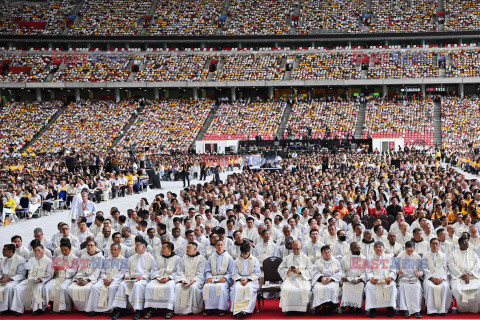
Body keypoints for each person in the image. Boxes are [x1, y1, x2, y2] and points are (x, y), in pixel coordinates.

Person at [112, 239, 157, 320]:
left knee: (137, 285)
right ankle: (120, 309)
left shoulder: (151, 258)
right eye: (135, 245)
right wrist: (127, 275)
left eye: (137, 245)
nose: (135, 247)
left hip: (143, 279)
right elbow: (126, 270)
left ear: (143, 247)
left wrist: (143, 277)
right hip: (132, 279)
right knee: (122, 284)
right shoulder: (131, 258)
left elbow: (153, 271)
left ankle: (138, 310)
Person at [11, 244, 53, 316]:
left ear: (43, 250)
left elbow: (50, 274)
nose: (37, 252)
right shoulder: (32, 259)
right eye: (35, 251)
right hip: (30, 279)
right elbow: (26, 267)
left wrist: (41, 279)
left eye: (39, 250)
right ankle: (18, 309)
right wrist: (34, 260)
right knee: (18, 288)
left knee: (38, 288)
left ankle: (38, 309)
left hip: (41, 281)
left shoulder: (49, 261)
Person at [85, 243, 127, 316]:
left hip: (116, 280)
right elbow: (102, 271)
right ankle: (95, 309)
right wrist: (105, 278)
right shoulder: (107, 259)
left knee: (112, 288)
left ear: (119, 250)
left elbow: (121, 273)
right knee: (95, 287)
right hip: (105, 278)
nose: (113, 251)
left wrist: (111, 279)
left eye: (115, 250)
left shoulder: (123, 260)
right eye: (111, 250)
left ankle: (111, 309)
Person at [144, 242, 180, 319]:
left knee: (169, 287)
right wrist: (157, 277)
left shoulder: (177, 259)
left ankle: (169, 310)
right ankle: (150, 309)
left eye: (164, 248)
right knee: (149, 287)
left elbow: (178, 271)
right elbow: (153, 270)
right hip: (158, 278)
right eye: (162, 248)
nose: (162, 249)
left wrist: (169, 278)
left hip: (170, 278)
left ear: (169, 249)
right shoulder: (159, 258)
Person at [67, 239, 103, 313]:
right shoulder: (84, 257)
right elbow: (80, 270)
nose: (90, 247)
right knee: (71, 288)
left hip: (92, 279)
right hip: (82, 278)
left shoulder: (100, 258)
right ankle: (80, 308)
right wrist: (79, 279)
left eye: (91, 245)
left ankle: (88, 308)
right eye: (88, 245)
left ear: (96, 247)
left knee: (87, 289)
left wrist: (87, 280)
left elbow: (97, 273)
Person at [278, 240, 313, 315]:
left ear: (301, 248)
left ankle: (301, 309)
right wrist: (288, 271)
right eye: (294, 249)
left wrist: (300, 272)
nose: (296, 251)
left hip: (302, 279)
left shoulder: (306, 258)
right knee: (285, 289)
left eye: (297, 249)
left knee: (304, 289)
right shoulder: (287, 258)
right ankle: (289, 309)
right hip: (290, 279)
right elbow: (280, 269)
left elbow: (311, 270)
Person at [364, 241, 397, 318]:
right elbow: (368, 271)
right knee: (369, 287)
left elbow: (393, 270)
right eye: (376, 247)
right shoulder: (370, 258)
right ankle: (372, 308)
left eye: (380, 247)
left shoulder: (389, 257)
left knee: (392, 287)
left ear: (384, 248)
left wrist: (390, 277)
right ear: (374, 249)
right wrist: (371, 279)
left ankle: (390, 308)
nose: (378, 249)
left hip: (386, 280)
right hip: (375, 280)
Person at [448, 236, 480, 313]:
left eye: (467, 242)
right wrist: (461, 275)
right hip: (459, 277)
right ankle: (462, 308)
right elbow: (451, 265)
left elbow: (478, 264)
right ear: (459, 243)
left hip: (472, 276)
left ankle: (474, 308)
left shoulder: (472, 253)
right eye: (465, 242)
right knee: (456, 288)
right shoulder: (453, 254)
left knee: (479, 288)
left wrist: (469, 274)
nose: (467, 244)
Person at [202, 239, 234, 317]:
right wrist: (209, 277)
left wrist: (226, 278)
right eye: (218, 245)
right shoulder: (211, 257)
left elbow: (231, 271)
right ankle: (209, 308)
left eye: (221, 245)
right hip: (212, 278)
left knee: (221, 287)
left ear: (224, 246)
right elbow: (208, 270)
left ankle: (221, 308)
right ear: (215, 246)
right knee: (207, 287)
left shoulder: (229, 258)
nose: (220, 247)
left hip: (223, 279)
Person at [44, 241, 77, 313]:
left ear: (70, 249)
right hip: (58, 277)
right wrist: (55, 271)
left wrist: (64, 269)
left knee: (63, 288)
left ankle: (66, 308)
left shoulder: (75, 258)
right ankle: (53, 307)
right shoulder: (58, 258)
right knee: (47, 287)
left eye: (66, 250)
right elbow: (52, 271)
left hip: (68, 278)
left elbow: (74, 272)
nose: (64, 252)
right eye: (62, 250)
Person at [174, 242, 206, 315]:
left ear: (194, 249)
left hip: (196, 280)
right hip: (184, 279)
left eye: (189, 248)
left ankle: (193, 309)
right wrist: (182, 279)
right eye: (187, 247)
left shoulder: (201, 259)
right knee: (177, 287)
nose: (187, 249)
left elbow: (200, 273)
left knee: (193, 287)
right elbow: (180, 270)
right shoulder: (184, 257)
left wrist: (194, 280)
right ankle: (181, 310)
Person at [230, 243, 261, 318]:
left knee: (249, 288)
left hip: (251, 280)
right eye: (242, 253)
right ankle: (237, 311)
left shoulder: (255, 260)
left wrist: (248, 279)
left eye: (246, 253)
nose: (244, 255)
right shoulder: (236, 261)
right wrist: (240, 279)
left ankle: (246, 310)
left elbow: (257, 273)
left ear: (249, 251)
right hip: (240, 280)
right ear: (240, 252)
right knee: (237, 288)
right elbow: (234, 273)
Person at [423, 238, 451, 316]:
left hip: (441, 278)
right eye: (433, 244)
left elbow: (446, 269)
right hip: (429, 278)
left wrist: (442, 278)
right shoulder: (426, 255)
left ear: (439, 245)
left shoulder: (443, 255)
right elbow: (424, 268)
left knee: (445, 286)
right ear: (430, 245)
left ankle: (442, 310)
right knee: (429, 287)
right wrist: (431, 278)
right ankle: (432, 310)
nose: (435, 245)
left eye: (436, 244)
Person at [311, 245, 342, 315]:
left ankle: (333, 306)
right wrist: (321, 278)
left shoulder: (336, 261)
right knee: (317, 288)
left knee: (332, 288)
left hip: (332, 280)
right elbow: (315, 272)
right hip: (321, 280)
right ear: (322, 254)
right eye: (325, 253)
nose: (328, 254)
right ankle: (319, 306)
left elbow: (340, 273)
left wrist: (331, 278)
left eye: (329, 252)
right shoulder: (318, 262)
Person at [397, 241, 423, 318]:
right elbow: (394, 268)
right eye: (408, 251)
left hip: (414, 278)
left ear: (414, 248)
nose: (410, 253)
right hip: (403, 278)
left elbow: (422, 270)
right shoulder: (400, 256)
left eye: (412, 251)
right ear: (405, 248)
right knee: (402, 288)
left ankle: (416, 310)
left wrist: (419, 273)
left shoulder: (417, 256)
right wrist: (398, 271)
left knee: (417, 288)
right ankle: (406, 310)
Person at [0, 244, 26, 314]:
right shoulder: (3, 260)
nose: (2, 252)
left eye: (4, 251)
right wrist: (1, 278)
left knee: (8, 287)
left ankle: (6, 308)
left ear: (10, 251)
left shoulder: (21, 260)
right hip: (3, 279)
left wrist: (8, 279)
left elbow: (21, 275)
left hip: (15, 280)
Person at [340, 242, 366, 313]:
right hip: (348, 279)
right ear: (350, 249)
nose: (358, 250)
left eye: (358, 248)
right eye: (355, 248)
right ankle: (348, 306)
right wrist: (343, 276)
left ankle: (358, 307)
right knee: (346, 287)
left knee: (360, 287)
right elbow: (341, 271)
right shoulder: (344, 258)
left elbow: (366, 271)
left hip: (359, 279)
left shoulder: (364, 258)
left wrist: (360, 279)